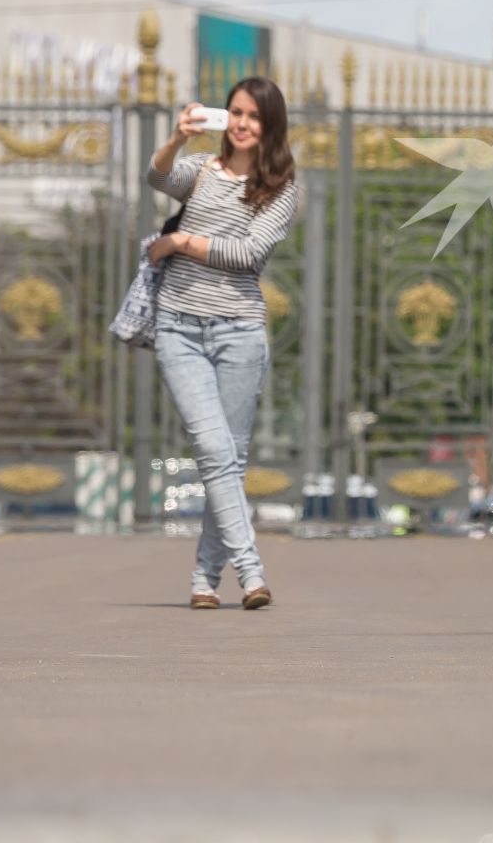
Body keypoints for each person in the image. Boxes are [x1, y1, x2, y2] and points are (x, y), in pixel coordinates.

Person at [146, 78, 301, 611]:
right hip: (178, 328)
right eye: (235, 112)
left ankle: (203, 580)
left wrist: (181, 241)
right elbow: (157, 176)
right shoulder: (204, 173)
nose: (240, 123)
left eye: (253, 116)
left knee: (228, 459)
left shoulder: (283, 188)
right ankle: (251, 572)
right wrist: (177, 137)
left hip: (239, 331)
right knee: (214, 450)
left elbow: (249, 254)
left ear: (270, 125)